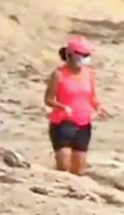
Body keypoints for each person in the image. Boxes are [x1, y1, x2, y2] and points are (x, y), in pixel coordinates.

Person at [44, 35, 109, 175]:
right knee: (64, 167)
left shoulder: (89, 73)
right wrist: (62, 107)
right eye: (83, 55)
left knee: (78, 170)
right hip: (62, 123)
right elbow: (48, 99)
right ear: (70, 55)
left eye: (88, 55)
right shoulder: (58, 74)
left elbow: (91, 95)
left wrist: (98, 106)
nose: (86, 58)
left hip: (83, 124)